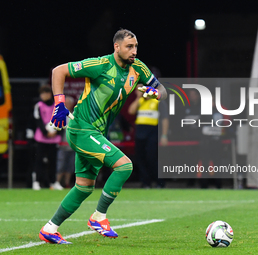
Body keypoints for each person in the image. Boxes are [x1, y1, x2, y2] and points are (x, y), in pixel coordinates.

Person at [39, 28, 167, 244]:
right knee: (125, 165)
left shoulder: (138, 68)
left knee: (84, 186)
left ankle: (50, 229)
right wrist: (59, 103)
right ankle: (99, 217)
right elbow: (58, 71)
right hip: (82, 128)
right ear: (116, 47)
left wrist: (156, 93)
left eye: (135, 46)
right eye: (129, 46)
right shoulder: (100, 64)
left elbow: (163, 90)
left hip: (96, 133)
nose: (134, 50)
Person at [128, 85, 168, 188]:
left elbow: (165, 119)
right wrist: (138, 98)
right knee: (141, 159)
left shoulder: (157, 101)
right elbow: (131, 111)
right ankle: (146, 183)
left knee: (152, 158)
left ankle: (159, 182)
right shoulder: (140, 102)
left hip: (152, 133)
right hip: (140, 134)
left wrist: (164, 135)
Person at [32, 85, 63, 191]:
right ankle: (36, 182)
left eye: (46, 93)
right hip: (41, 138)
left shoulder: (57, 106)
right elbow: (38, 120)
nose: (43, 96)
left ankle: (53, 182)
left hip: (53, 139)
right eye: (42, 94)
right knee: (39, 160)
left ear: (50, 94)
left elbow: (60, 119)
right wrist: (46, 132)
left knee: (53, 161)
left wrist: (56, 131)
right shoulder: (39, 105)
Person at [56, 96, 76, 188]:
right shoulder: (60, 114)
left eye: (69, 103)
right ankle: (57, 183)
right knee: (60, 165)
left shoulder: (75, 115)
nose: (67, 104)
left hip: (72, 146)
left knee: (70, 166)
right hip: (62, 145)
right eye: (65, 103)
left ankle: (67, 183)